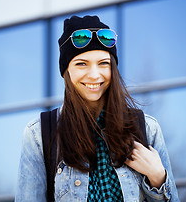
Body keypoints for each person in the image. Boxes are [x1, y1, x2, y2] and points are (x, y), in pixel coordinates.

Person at [15, 15, 179, 201]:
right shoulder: (39, 134)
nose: (94, 75)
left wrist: (158, 177)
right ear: (66, 71)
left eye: (103, 63)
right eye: (81, 64)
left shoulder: (147, 128)